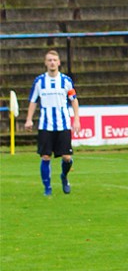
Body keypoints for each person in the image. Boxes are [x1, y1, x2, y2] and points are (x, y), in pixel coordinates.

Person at [24, 49, 80, 196]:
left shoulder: (66, 81)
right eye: (49, 60)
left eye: (54, 60)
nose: (52, 62)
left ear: (59, 63)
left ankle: (64, 177)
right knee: (45, 157)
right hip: (45, 125)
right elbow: (33, 101)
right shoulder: (39, 81)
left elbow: (74, 101)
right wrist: (29, 119)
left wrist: (77, 120)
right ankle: (47, 188)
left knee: (67, 157)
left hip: (63, 125)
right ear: (45, 63)